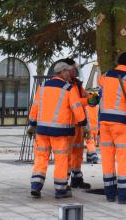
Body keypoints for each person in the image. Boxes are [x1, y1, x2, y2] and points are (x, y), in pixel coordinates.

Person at [28, 61, 89, 199]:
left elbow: (35, 107)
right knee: (61, 160)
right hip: (60, 133)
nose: (70, 74)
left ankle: (36, 186)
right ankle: (60, 190)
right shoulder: (68, 88)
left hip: (42, 130)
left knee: (41, 158)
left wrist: (32, 124)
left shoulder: (42, 87)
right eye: (68, 71)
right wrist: (84, 125)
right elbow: (77, 108)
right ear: (62, 72)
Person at [98, 52, 126, 204]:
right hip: (120, 124)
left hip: (104, 123)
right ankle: (123, 194)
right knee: (122, 158)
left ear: (118, 62)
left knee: (107, 157)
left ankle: (110, 193)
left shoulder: (106, 76)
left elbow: (101, 85)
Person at [63, 58, 91, 189]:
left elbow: (84, 96)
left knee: (78, 151)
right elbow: (73, 101)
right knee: (67, 153)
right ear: (66, 69)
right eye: (74, 68)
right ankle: (63, 180)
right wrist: (87, 101)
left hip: (79, 122)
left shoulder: (77, 84)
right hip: (68, 123)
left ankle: (76, 177)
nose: (76, 71)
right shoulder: (62, 84)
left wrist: (92, 97)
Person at [85, 90, 100, 164]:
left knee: (92, 143)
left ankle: (89, 156)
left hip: (95, 130)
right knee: (90, 142)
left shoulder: (97, 108)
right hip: (89, 129)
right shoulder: (86, 107)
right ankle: (93, 155)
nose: (92, 101)